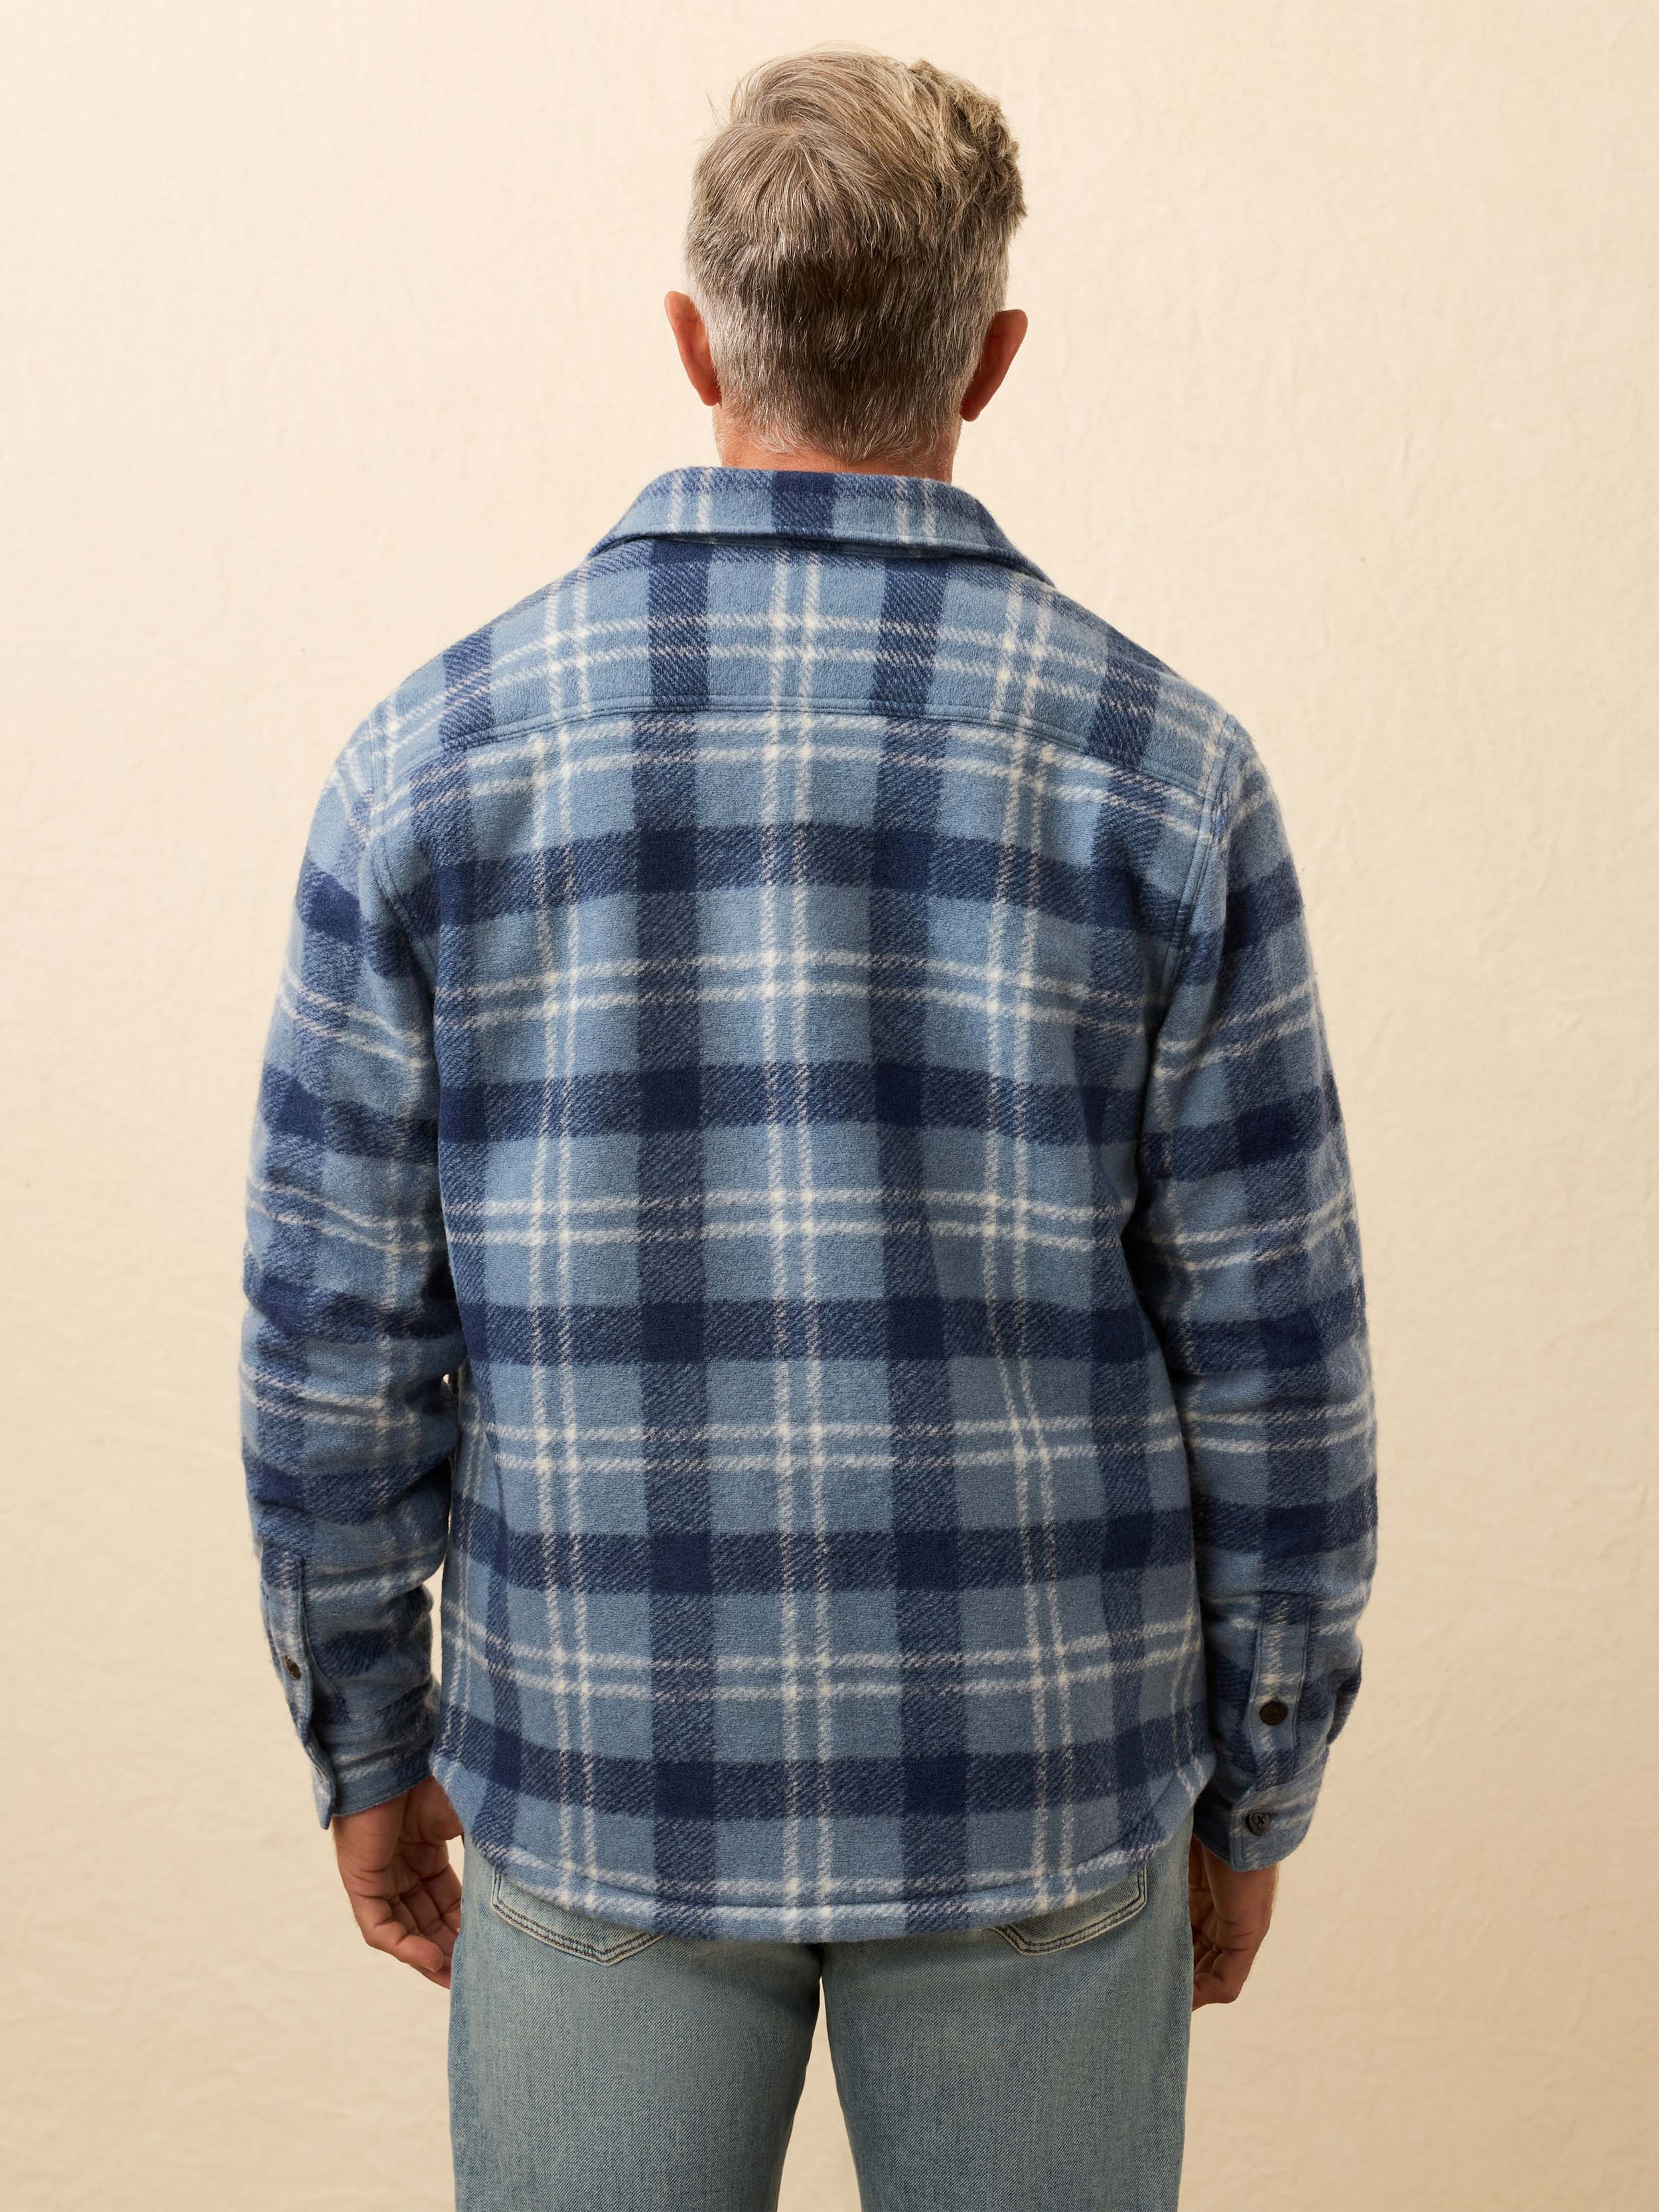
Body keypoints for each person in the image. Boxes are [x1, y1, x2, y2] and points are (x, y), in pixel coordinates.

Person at [239, 43, 1378, 2212]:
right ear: (993, 356)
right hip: (1037, 1781)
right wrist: (1257, 1787)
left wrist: (365, 1743)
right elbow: (1278, 1359)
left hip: (602, 1770)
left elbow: (331, 1336)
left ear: (694, 342)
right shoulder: (1167, 773)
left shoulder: (434, 760)